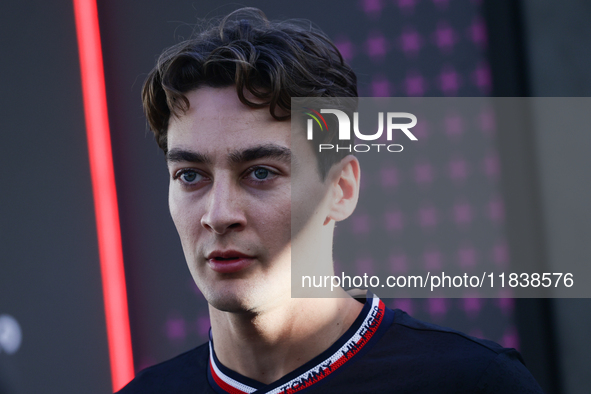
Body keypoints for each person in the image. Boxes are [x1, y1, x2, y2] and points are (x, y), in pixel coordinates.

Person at [117, 7, 543, 393]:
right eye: (190, 176)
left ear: (341, 189)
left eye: (261, 172)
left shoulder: (475, 384)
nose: (219, 214)